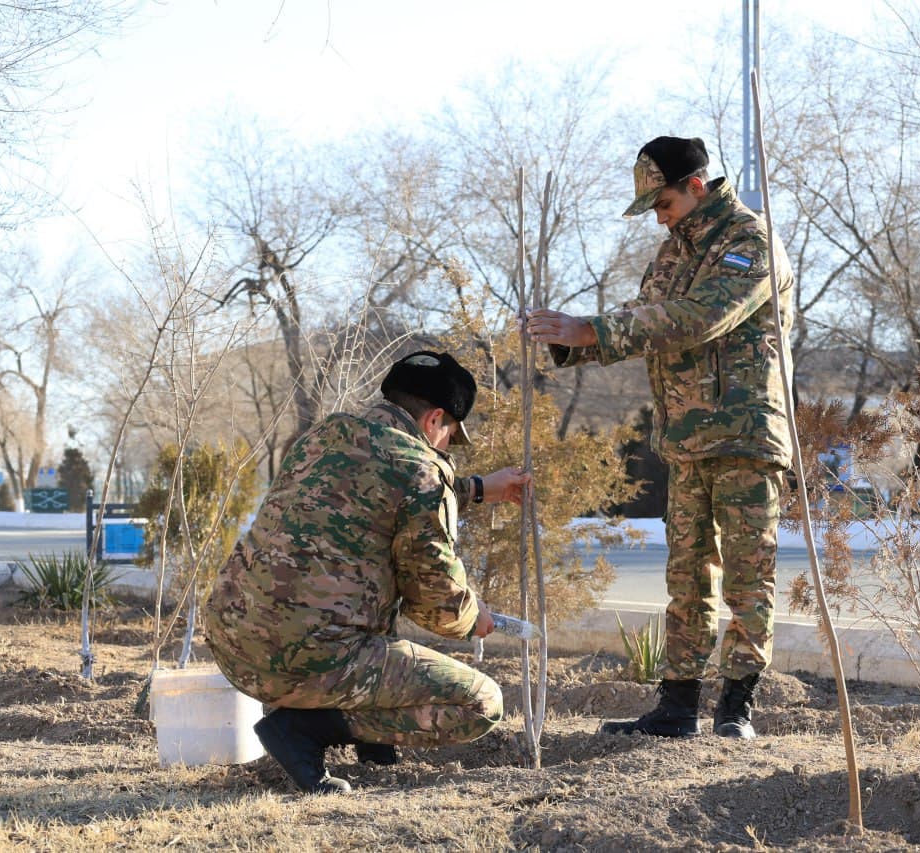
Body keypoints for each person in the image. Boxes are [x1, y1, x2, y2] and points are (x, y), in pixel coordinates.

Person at [526, 136, 795, 740]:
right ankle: (677, 707)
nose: (658, 215)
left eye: (663, 201)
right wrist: (566, 338)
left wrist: (593, 328)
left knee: (750, 576)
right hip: (686, 439)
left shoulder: (749, 241)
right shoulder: (673, 251)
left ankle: (736, 709)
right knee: (687, 577)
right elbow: (645, 316)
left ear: (696, 187)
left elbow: (700, 319)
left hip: (744, 434)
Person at [204, 350, 530, 794]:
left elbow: (373, 491)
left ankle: (366, 741)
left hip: (233, 643)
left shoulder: (326, 435)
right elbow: (440, 607)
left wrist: (473, 489)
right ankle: (302, 730)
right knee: (481, 703)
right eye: (451, 433)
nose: (448, 447)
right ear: (436, 420)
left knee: (368, 582)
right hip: (299, 662)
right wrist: (475, 618)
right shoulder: (422, 471)